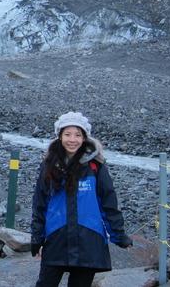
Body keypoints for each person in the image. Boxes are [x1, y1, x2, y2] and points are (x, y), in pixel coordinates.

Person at [31, 112, 132, 287]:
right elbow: (40, 204)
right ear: (59, 136)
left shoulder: (95, 166)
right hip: (57, 237)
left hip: (89, 239)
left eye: (78, 135)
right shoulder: (49, 165)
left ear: (85, 138)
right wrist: (37, 238)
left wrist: (119, 235)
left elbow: (108, 203)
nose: (72, 139)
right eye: (67, 134)